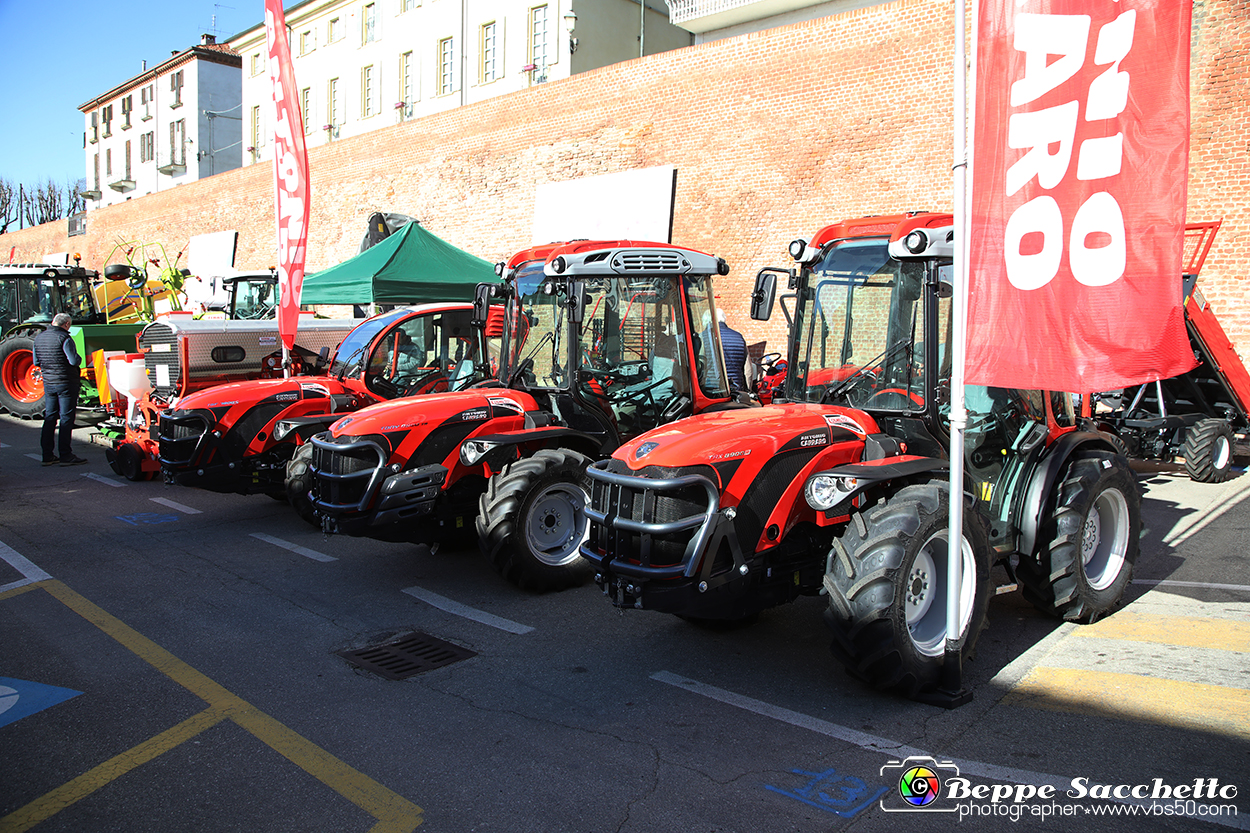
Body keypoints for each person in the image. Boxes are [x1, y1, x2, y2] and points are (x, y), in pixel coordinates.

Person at [33, 313, 88, 466]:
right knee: (66, 418)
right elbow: (73, 360)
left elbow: (36, 361)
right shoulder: (64, 338)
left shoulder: (39, 338)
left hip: (49, 383)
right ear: (66, 324)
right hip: (66, 383)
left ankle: (47, 455)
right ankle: (65, 455)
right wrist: (79, 359)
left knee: (50, 417)